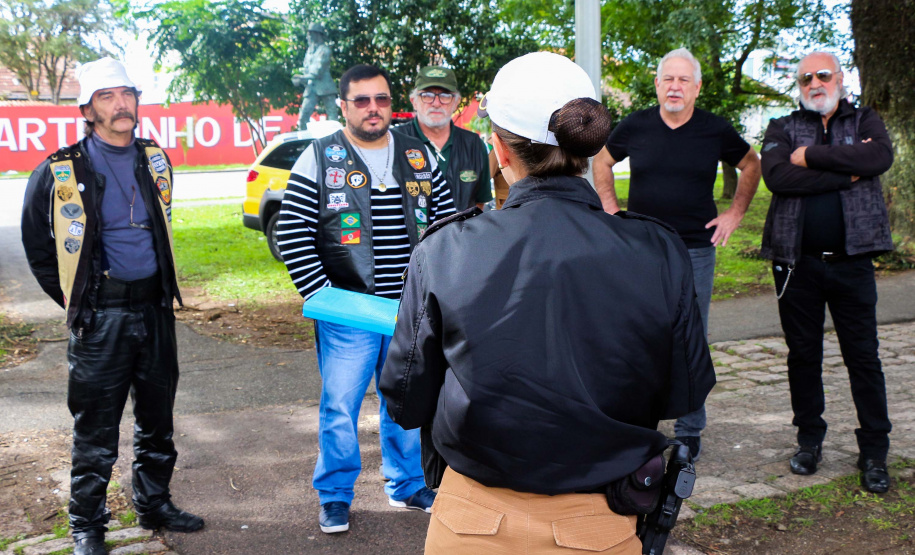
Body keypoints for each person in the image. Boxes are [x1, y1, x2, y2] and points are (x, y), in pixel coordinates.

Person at [380, 52, 715, 554]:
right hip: (602, 523)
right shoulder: (657, 250)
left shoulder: (447, 248)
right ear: (586, 146)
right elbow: (684, 392)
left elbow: (405, 398)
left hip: (471, 521)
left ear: (499, 149)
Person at [20, 57, 202, 555]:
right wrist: (75, 300)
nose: (121, 104)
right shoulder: (61, 170)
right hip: (101, 318)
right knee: (96, 429)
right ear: (87, 109)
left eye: (127, 93)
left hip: (155, 310)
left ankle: (154, 504)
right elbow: (37, 245)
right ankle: (88, 526)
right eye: (107, 96)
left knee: (158, 419)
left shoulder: (155, 158)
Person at [277, 64, 456, 534]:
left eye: (380, 99)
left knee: (405, 401)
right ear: (343, 105)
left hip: (408, 310)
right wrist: (320, 293)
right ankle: (335, 495)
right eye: (361, 100)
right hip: (348, 312)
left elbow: (444, 225)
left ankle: (408, 484)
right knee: (340, 407)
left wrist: (436, 290)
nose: (373, 108)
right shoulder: (319, 156)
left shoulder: (418, 154)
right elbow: (293, 232)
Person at [592, 48, 761, 461]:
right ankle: (639, 420)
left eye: (684, 80)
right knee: (639, 333)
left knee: (691, 337)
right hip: (644, 250)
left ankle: (689, 429)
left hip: (696, 251)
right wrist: (612, 211)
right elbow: (601, 160)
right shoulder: (638, 125)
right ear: (657, 84)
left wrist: (735, 214)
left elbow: (752, 165)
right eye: (668, 78)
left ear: (697, 87)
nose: (675, 86)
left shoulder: (714, 129)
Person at [759, 51, 894, 493]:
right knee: (803, 356)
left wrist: (811, 156)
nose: (814, 84)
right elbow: (778, 178)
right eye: (804, 79)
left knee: (864, 358)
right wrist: (843, 171)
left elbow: (877, 160)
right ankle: (809, 441)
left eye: (821, 75)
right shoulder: (781, 127)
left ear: (839, 78)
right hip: (797, 264)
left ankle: (874, 451)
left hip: (853, 262)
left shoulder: (866, 120)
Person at [394, 65, 492, 210]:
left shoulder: (474, 145)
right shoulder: (394, 141)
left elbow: (479, 203)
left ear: (456, 102)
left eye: (445, 96)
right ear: (413, 101)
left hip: (460, 233)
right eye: (427, 95)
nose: (436, 103)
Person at [294, 22, 339, 130]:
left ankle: (337, 139)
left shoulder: (325, 50)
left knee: (333, 117)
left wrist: (301, 78)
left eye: (310, 34)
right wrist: (302, 80)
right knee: (303, 117)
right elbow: (306, 68)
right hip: (311, 87)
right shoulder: (309, 51)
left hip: (325, 87)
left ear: (317, 34)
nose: (308, 36)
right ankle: (303, 144)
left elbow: (318, 71)